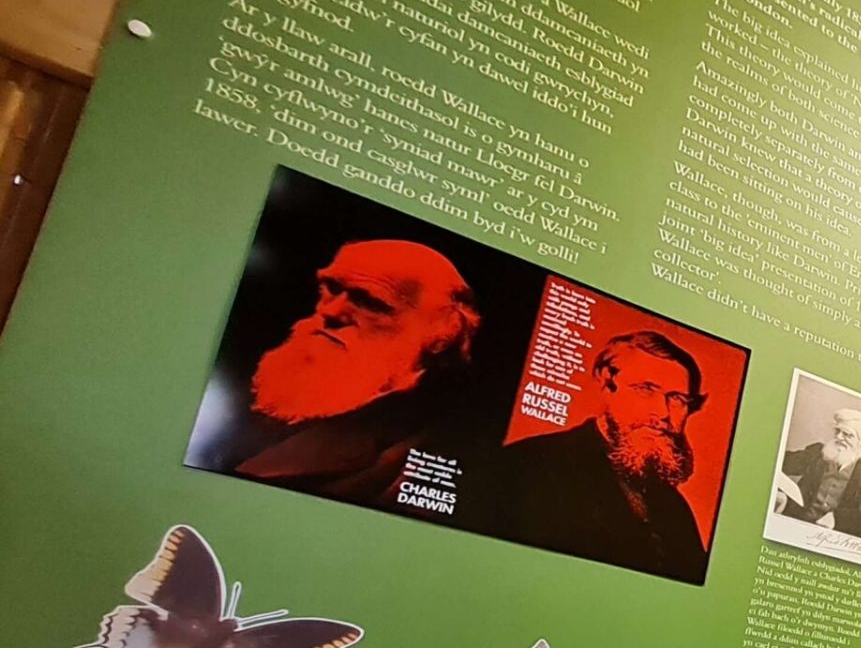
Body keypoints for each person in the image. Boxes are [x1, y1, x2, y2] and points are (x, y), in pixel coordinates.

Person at [193, 239, 481, 505]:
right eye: (330, 288)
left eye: (369, 302)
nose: (331, 311)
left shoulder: (415, 456)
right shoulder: (247, 392)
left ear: (441, 334)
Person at [494, 330, 711, 583]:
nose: (662, 412)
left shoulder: (676, 509)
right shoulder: (529, 464)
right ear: (608, 384)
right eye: (645, 390)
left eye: (677, 400)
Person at [775, 406, 861, 543]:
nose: (838, 437)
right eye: (837, 431)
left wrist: (838, 519)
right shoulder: (818, 453)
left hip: (837, 540)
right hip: (797, 526)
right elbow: (780, 461)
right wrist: (780, 492)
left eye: (847, 435)